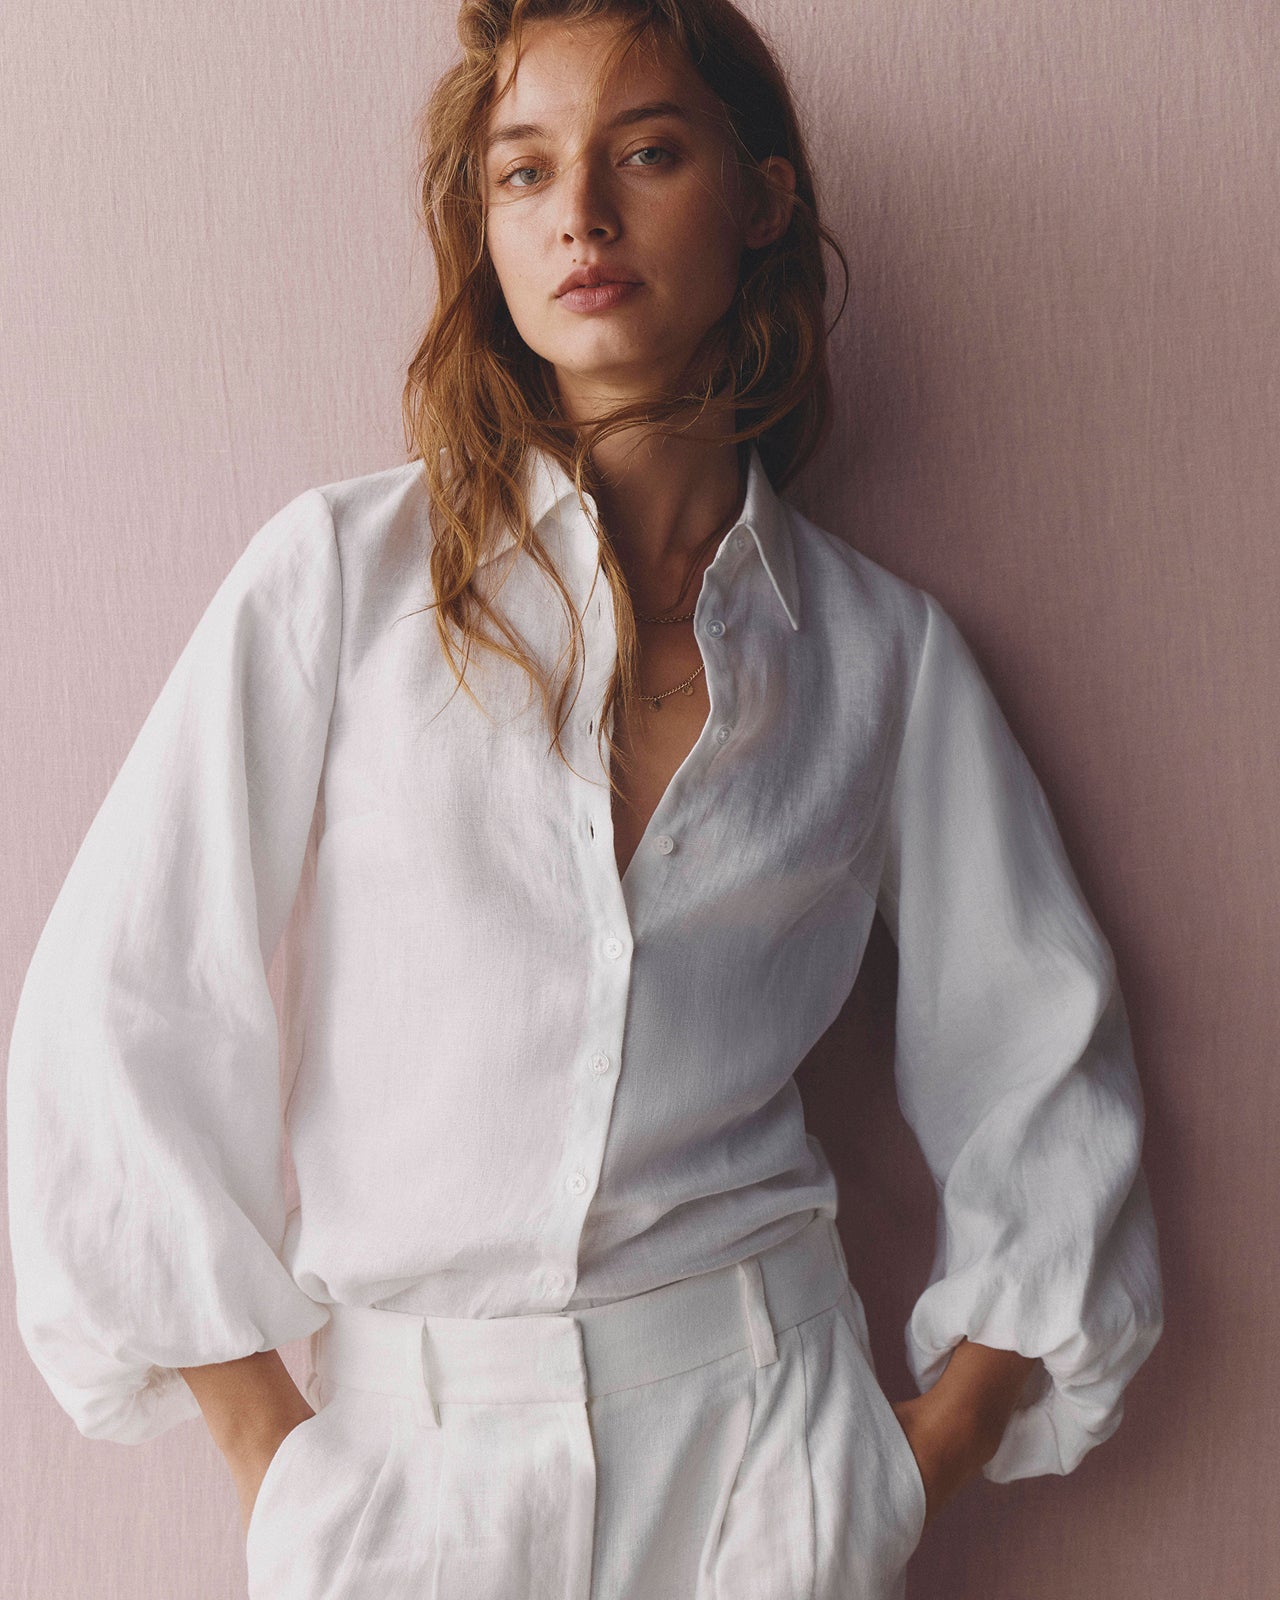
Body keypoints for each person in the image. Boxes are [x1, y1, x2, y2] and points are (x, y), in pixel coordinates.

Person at [5, 1, 1163, 1597]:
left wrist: (911, 1462)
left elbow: (1044, 1053)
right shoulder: (340, 586)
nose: (581, 217)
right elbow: (115, 1009)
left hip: (771, 1461)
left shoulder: (881, 657)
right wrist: (275, 1461)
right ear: (482, 232)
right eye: (523, 172)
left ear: (759, 199)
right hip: (405, 1486)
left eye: (648, 152)